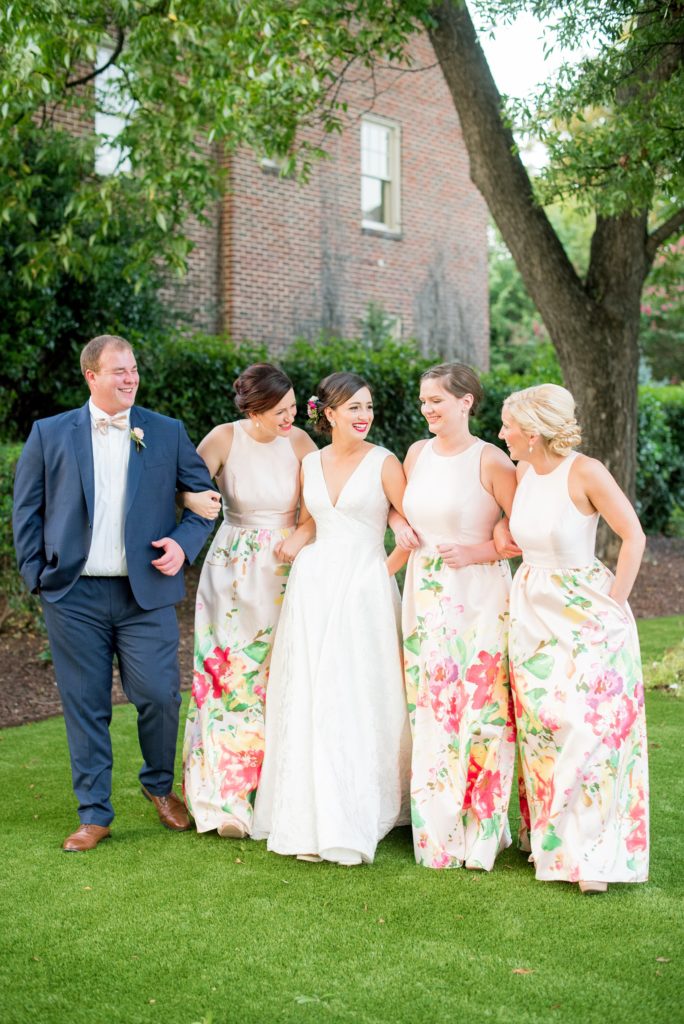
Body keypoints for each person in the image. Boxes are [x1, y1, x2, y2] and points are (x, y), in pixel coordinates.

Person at [12, 334, 216, 852]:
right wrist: (37, 577)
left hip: (144, 593)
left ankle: (159, 786)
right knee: (86, 704)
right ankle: (94, 813)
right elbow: (27, 511)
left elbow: (206, 501)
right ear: (92, 376)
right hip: (72, 595)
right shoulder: (49, 433)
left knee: (159, 695)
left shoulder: (165, 431)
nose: (130, 378)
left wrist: (183, 543)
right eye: (119, 371)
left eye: (134, 369)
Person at [252, 372, 411, 865]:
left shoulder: (385, 462)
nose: (365, 416)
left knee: (356, 692)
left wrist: (382, 570)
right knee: (312, 692)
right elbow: (310, 523)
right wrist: (293, 543)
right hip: (314, 587)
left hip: (365, 586)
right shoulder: (311, 463)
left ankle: (359, 809)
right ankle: (309, 812)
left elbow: (410, 526)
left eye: (369, 407)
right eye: (354, 408)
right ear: (329, 414)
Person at [500, 383, 649, 893]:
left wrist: (615, 604)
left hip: (585, 612)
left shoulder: (586, 471)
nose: (502, 434)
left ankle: (593, 856)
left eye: (508, 426)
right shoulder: (522, 472)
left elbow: (633, 535)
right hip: (531, 612)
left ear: (533, 431)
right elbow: (515, 530)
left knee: (590, 729)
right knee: (545, 728)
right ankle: (554, 844)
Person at [391, 363, 519, 870]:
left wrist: (477, 551)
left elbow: (522, 532)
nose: (427, 409)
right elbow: (398, 506)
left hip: (478, 595)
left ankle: (480, 829)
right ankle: (436, 828)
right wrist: (399, 525)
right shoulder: (416, 454)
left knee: (480, 708)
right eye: (424, 401)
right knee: (432, 704)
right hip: (424, 592)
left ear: (466, 402)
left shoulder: (491, 460)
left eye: (437, 401)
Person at [181, 364, 317, 839]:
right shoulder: (224, 438)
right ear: (254, 410)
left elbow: (321, 507)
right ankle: (224, 798)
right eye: (280, 411)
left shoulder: (300, 443)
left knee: (278, 674)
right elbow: (185, 485)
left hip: (285, 567)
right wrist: (191, 499)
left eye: (293, 408)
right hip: (232, 568)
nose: (290, 418)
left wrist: (300, 535)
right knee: (228, 675)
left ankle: (276, 793)